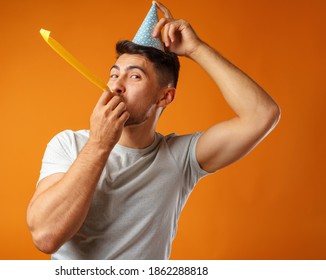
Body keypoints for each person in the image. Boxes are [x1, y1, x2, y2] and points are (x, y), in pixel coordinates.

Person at [27, 1, 280, 259]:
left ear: (165, 97)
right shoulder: (68, 145)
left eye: (135, 76)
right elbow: (46, 236)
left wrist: (196, 49)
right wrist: (99, 144)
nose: (116, 86)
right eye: (114, 74)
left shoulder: (181, 158)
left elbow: (262, 115)